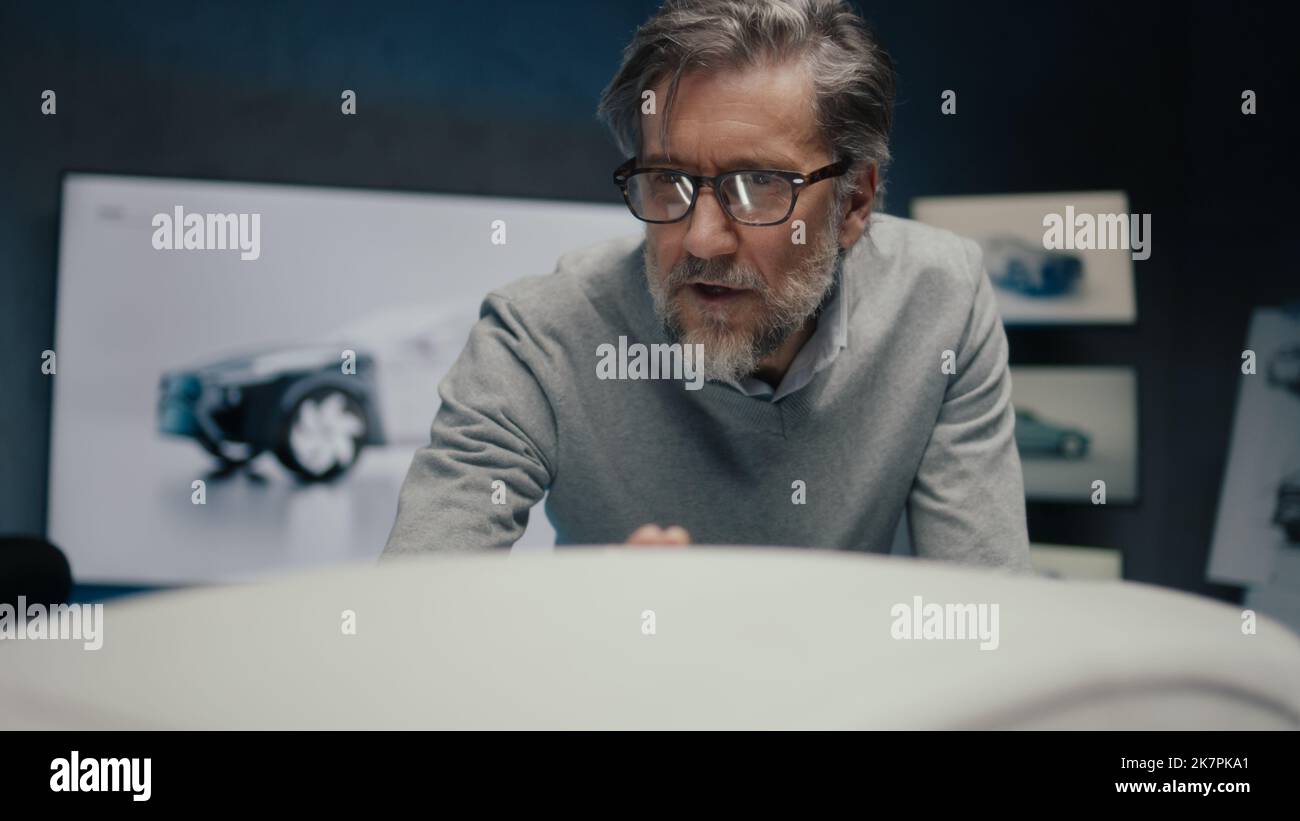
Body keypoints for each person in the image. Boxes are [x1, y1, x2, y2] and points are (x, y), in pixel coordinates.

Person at [383, 0, 1030, 569]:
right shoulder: (537, 339)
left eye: (758, 185)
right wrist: (572, 621)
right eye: (668, 179)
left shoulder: (941, 298)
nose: (700, 240)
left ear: (855, 203)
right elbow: (412, 618)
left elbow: (986, 616)